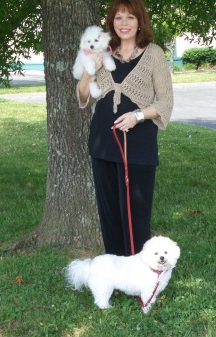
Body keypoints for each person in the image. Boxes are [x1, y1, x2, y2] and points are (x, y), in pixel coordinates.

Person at [76, 0, 174, 256]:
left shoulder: (153, 54)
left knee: (136, 214)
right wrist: (90, 70)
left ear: (140, 22)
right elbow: (83, 96)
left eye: (130, 18)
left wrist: (138, 115)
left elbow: (165, 102)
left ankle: (140, 276)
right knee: (109, 215)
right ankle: (116, 273)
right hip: (103, 143)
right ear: (112, 23)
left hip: (138, 144)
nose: (124, 24)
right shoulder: (103, 53)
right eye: (119, 18)